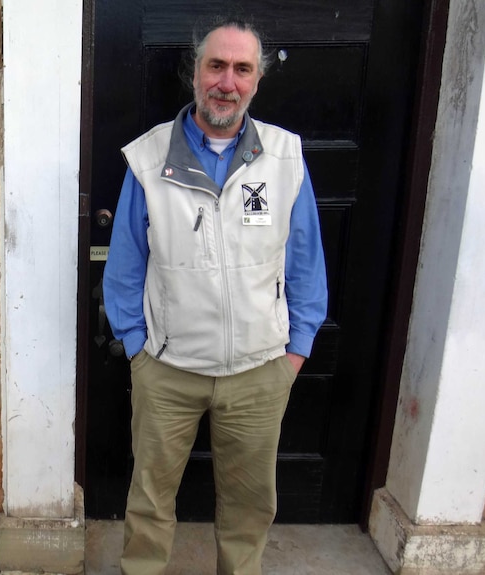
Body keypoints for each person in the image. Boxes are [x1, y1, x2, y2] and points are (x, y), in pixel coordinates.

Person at [102, 19, 328, 575]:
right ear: (196, 72)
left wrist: (295, 350)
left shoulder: (284, 158)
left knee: (250, 508)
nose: (227, 82)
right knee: (150, 502)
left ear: (256, 80)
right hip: (168, 369)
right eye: (216, 66)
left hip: (258, 370)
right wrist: (136, 347)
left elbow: (305, 262)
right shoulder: (150, 159)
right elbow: (126, 264)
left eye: (242, 69)